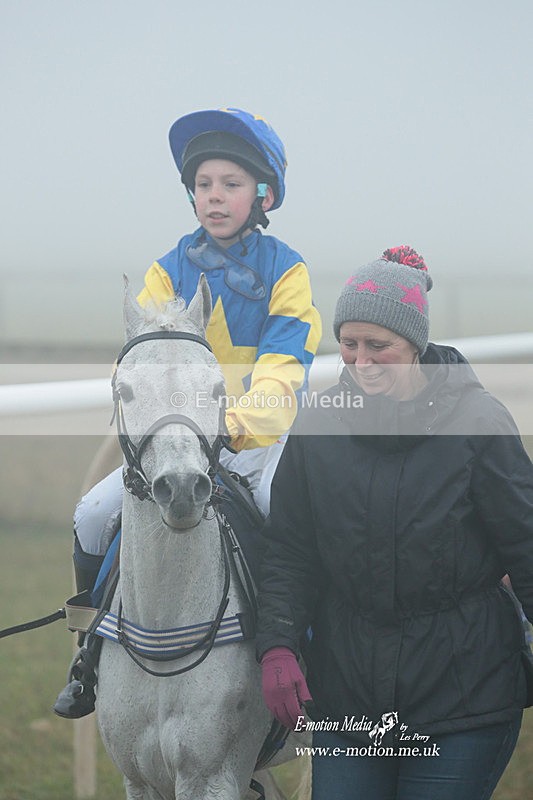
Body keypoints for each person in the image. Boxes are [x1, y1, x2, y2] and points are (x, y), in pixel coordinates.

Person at [54, 106, 322, 719]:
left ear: (264, 195)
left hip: (256, 445)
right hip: (176, 444)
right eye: (204, 185)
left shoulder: (289, 271)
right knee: (94, 515)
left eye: (231, 184)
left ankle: (313, 655)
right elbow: (143, 370)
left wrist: (230, 426)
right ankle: (90, 655)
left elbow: (283, 373)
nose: (215, 197)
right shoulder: (163, 272)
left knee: (293, 516)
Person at [256, 245, 533, 800]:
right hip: (348, 694)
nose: (361, 360)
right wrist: (278, 645)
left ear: (415, 344)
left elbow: (526, 544)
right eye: (349, 344)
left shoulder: (477, 423)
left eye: (378, 346)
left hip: (464, 695)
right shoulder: (318, 427)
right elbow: (290, 549)